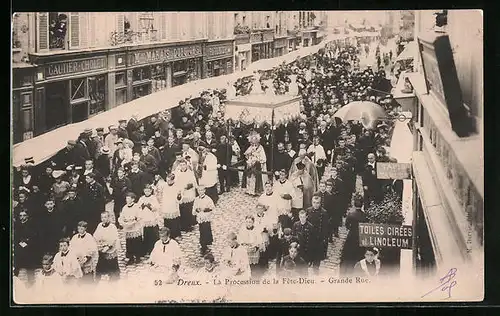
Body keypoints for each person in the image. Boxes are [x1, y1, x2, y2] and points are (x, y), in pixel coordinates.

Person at [340, 196, 368, 276]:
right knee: (359, 255)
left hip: (351, 237)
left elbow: (347, 226)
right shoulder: (365, 216)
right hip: (361, 237)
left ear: (354, 204)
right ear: (362, 205)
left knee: (348, 256)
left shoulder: (351, 215)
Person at [93, 212, 120, 282]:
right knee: (100, 264)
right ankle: (99, 278)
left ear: (108, 218)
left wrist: (108, 246)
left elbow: (114, 238)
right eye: (102, 217)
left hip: (110, 247)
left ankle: (113, 278)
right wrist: (98, 243)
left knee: (111, 265)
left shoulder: (112, 226)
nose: (103, 219)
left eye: (105, 217)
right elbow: (95, 235)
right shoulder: (99, 225)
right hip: (102, 246)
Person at [306, 194, 330, 274]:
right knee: (309, 254)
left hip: (319, 238)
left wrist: (325, 240)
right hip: (310, 237)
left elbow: (326, 228)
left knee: (317, 256)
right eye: (314, 202)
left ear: (320, 203)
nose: (316, 205)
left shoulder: (324, 213)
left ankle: (316, 269)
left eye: (317, 203)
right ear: (311, 202)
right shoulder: (308, 211)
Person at [118, 192, 143, 265]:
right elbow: (122, 216)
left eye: (128, 199)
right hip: (128, 227)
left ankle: (137, 257)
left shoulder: (136, 206)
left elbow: (139, 216)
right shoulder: (124, 207)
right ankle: (131, 258)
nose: (127, 200)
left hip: (135, 227)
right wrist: (122, 221)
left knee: (136, 242)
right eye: (126, 198)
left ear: (133, 199)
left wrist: (134, 220)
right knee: (129, 243)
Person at [174, 159, 198, 232]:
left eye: (184, 165)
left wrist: (187, 187)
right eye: (181, 165)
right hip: (180, 193)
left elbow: (194, 183)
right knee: (181, 209)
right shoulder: (177, 173)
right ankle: (182, 225)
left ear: (186, 165)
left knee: (188, 210)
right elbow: (175, 183)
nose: (182, 166)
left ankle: (188, 225)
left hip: (188, 193)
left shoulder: (190, 173)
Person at [137, 184, 161, 257]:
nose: (147, 192)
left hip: (152, 217)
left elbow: (157, 207)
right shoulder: (141, 198)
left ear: (151, 191)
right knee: (146, 233)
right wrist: (142, 206)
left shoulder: (153, 198)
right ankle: (146, 249)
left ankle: (154, 248)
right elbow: (138, 207)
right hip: (145, 217)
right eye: (145, 191)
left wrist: (150, 206)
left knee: (153, 234)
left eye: (148, 191)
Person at [192, 186, 215, 255]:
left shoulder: (208, 199)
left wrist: (205, 209)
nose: (200, 192)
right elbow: (194, 208)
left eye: (202, 190)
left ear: (204, 190)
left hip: (206, 218)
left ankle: (206, 245)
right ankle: (203, 245)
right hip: (200, 218)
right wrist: (197, 210)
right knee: (201, 232)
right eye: (199, 190)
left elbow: (212, 208)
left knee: (206, 231)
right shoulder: (196, 199)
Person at [244, 131, 267, 197]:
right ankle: (249, 190)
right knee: (249, 177)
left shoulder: (261, 147)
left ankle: (255, 191)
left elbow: (263, 157)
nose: (254, 142)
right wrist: (249, 154)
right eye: (252, 140)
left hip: (257, 164)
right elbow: (246, 154)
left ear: (257, 140)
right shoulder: (250, 147)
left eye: (255, 140)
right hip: (250, 163)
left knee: (254, 177)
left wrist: (257, 157)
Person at [159, 173, 182, 239]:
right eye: (167, 180)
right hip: (166, 205)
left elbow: (179, 198)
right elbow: (162, 195)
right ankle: (167, 234)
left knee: (174, 221)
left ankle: (175, 234)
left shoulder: (176, 186)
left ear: (173, 180)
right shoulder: (164, 185)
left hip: (173, 205)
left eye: (169, 180)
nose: (168, 182)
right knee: (167, 221)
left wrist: (179, 196)